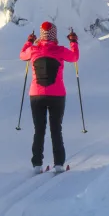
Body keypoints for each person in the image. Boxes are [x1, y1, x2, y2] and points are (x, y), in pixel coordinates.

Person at [20, 21, 79, 174]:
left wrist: (29, 41)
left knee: (39, 130)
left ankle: (37, 165)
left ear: (41, 35)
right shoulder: (60, 50)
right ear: (54, 35)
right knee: (55, 129)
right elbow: (74, 57)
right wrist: (73, 42)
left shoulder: (33, 50)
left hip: (36, 95)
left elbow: (22, 55)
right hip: (57, 95)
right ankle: (59, 164)